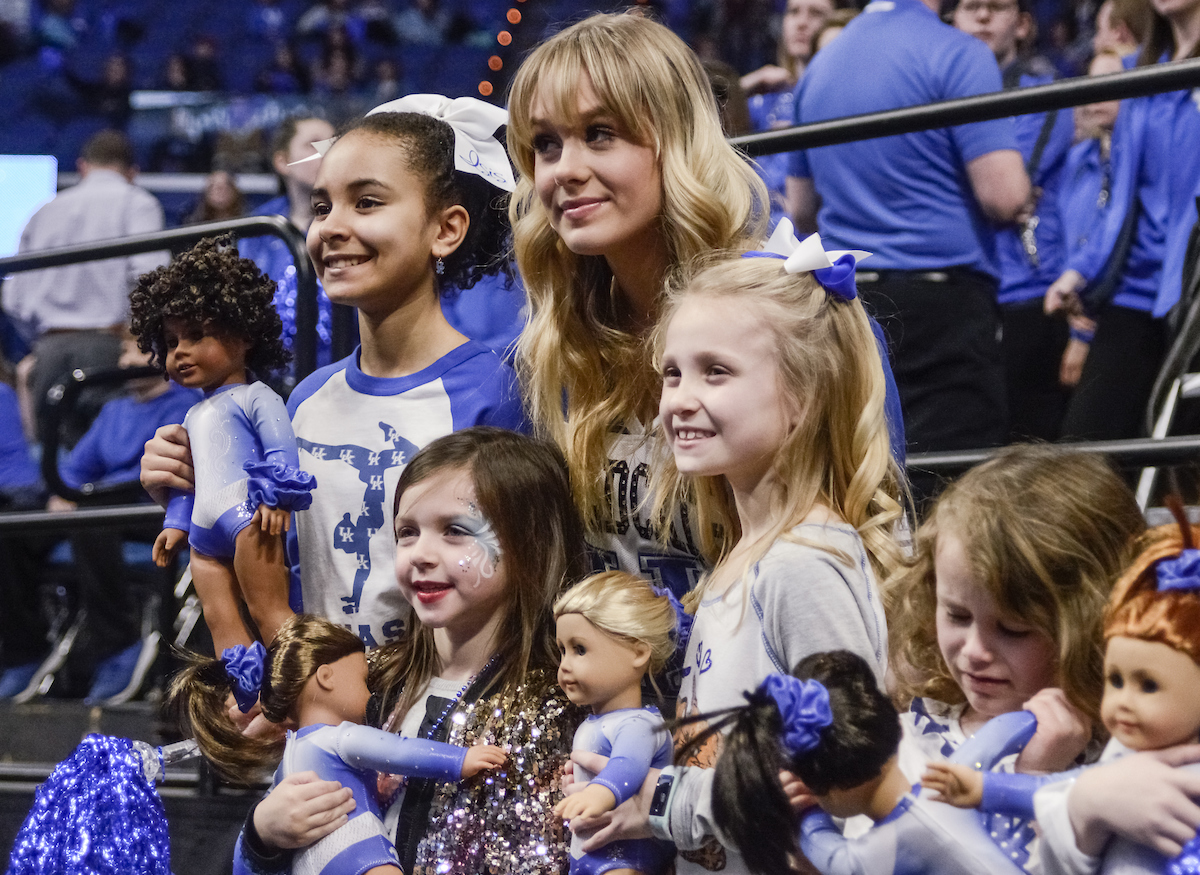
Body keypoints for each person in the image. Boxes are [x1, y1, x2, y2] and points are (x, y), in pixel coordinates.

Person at [506, 12, 903, 600]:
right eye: (545, 144)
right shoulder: (563, 339)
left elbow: (865, 560)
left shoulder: (791, 317)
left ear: (676, 139)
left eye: (600, 134)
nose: (565, 170)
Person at [141, 96, 526, 649]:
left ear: (446, 229)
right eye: (321, 209)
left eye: (366, 203)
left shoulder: (492, 394)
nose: (331, 228)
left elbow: (519, 590)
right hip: (320, 711)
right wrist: (205, 486)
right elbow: (284, 567)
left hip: (439, 721)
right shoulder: (306, 399)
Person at [631, 240, 904, 875]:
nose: (680, 398)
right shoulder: (745, 554)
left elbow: (840, 777)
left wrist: (659, 801)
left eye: (716, 372)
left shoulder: (802, 566)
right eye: (672, 372)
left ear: (803, 397)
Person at [236, 428, 589, 875]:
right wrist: (263, 834)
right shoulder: (366, 682)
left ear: (530, 544)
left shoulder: (558, 704)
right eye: (407, 532)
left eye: (456, 530)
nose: (420, 553)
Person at [788, 0, 1031, 468]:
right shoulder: (960, 53)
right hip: (943, 307)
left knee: (864, 475)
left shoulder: (821, 66)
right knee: (947, 487)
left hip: (849, 304)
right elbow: (1004, 195)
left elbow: (800, 211)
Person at [886, 444, 1146, 870]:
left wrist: (1037, 780)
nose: (973, 651)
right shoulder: (911, 735)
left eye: (1013, 629)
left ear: (1095, 623)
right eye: (956, 614)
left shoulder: (1124, 765)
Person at [925, 516, 1200, 873]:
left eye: (1148, 685)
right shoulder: (1125, 751)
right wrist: (987, 788)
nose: (1121, 702)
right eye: (1115, 680)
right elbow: (1060, 790)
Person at [172, 613, 506, 875]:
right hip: (353, 843)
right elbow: (400, 752)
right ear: (326, 677)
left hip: (308, 862)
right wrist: (458, 760)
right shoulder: (341, 736)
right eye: (362, 680)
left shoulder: (291, 754)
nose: (369, 694)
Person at [129, 236, 314, 655]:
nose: (181, 352)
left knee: (268, 608)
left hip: (249, 517)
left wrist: (276, 498)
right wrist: (175, 524)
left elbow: (280, 451)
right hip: (203, 530)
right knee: (219, 618)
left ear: (245, 335)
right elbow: (188, 481)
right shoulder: (191, 415)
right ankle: (243, 686)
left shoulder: (257, 397)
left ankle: (292, 684)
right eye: (172, 342)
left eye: (196, 335)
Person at [700, 650, 1030, 875]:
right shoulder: (952, 781)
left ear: (826, 788)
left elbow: (825, 848)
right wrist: (1036, 716)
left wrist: (806, 813)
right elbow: (1000, 732)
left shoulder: (868, 856)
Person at [1043, 0, 1200, 442]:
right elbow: (1121, 202)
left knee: (1178, 464)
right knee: (1083, 452)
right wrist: (1080, 270)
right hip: (1135, 291)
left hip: (1192, 294)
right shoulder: (1138, 71)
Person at [952, 0, 1076, 441]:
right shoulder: (936, 89)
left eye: (997, 7)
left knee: (1030, 436)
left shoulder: (1045, 92)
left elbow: (1012, 188)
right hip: (964, 289)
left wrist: (954, 182)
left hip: (1029, 285)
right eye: (971, 7)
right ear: (952, 21)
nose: (982, 17)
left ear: (1023, 25)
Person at [2, 129, 167, 445]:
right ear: (132, 172)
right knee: (103, 470)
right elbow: (150, 279)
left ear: (82, 166)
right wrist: (135, 341)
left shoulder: (44, 210)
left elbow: (14, 295)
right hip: (108, 346)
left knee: (55, 468)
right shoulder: (137, 203)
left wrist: (41, 339)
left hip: (49, 350)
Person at [552, 570, 678, 875]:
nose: (565, 665)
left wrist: (600, 792)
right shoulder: (597, 722)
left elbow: (628, 765)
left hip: (625, 858)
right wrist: (579, 784)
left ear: (637, 653)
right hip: (588, 854)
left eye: (579, 649)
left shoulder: (639, 724)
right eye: (562, 651)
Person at [238, 115, 337, 373]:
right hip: (268, 375)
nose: (326, 153)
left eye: (332, 144)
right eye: (313, 144)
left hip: (341, 369)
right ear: (283, 162)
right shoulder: (257, 227)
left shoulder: (355, 224)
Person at [1057, 50, 1124, 390]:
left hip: (1114, 312)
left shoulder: (1131, 167)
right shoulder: (1075, 160)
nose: (1096, 95)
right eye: (1092, 83)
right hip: (1065, 307)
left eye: (1110, 82)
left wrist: (1082, 332)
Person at [738, 0, 836, 228]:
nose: (802, 23)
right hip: (754, 236)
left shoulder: (839, 101)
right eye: (793, 12)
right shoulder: (765, 99)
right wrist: (745, 85)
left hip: (812, 236)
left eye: (816, 13)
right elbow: (700, 118)